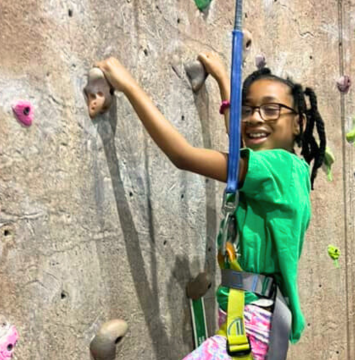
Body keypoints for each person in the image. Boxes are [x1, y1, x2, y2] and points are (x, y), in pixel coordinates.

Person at [94, 53, 326, 360]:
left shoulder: (275, 168)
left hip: (252, 326)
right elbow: (239, 143)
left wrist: (127, 85)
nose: (255, 118)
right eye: (248, 110)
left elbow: (184, 156)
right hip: (248, 319)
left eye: (271, 110)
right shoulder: (287, 169)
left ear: (299, 123)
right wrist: (222, 79)